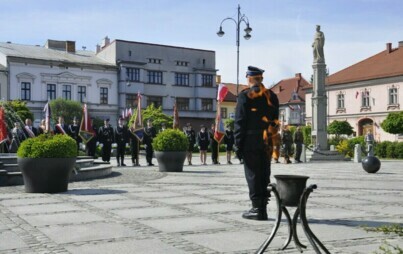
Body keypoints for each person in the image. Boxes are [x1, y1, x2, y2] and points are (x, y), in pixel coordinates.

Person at [234, 66, 279, 221]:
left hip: (250, 142)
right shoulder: (272, 96)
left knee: (253, 174)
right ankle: (263, 208)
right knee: (264, 173)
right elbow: (275, 122)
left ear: (250, 78)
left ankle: (257, 209)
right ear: (261, 78)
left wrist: (238, 144)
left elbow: (240, 122)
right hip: (267, 141)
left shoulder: (245, 96)